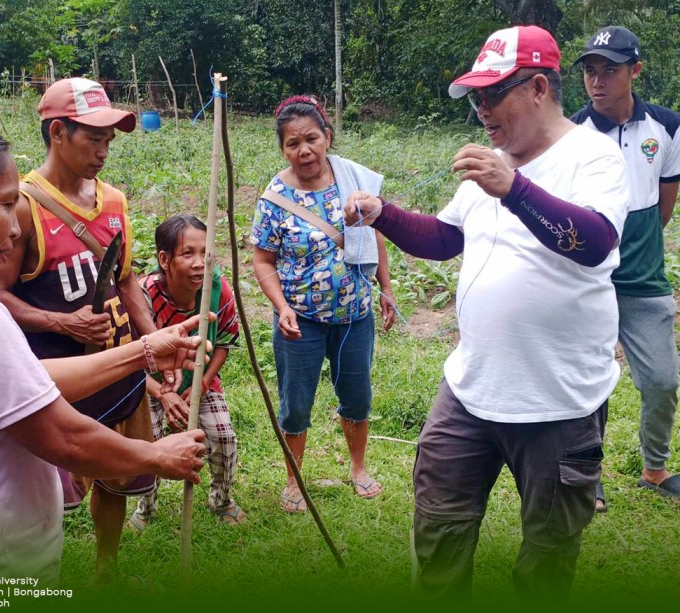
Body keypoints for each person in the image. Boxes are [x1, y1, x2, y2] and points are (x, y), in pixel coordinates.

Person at [0, 112, 210, 583]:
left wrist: (142, 352)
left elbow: (21, 383)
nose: (13, 229)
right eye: (4, 205)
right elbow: (65, 437)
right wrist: (157, 455)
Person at [345, 26, 629, 600]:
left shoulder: (594, 156)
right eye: (475, 98)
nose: (481, 111)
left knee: (547, 556)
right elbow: (445, 238)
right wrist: (381, 213)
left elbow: (596, 241)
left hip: (559, 402)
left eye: (492, 95)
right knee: (439, 531)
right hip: (472, 390)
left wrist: (515, 190)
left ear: (539, 88)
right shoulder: (493, 165)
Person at [0, 77, 162, 579]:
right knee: (41, 485)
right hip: (52, 378)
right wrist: (60, 321)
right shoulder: (21, 205)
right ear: (57, 132)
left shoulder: (115, 203)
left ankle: (107, 565)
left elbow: (126, 280)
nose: (105, 151)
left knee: (117, 473)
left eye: (109, 140)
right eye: (94, 139)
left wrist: (151, 343)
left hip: (118, 367)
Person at [250, 95, 396, 513]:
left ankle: (358, 468)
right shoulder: (274, 198)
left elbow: (376, 233)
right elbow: (262, 260)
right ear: (283, 149)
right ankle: (295, 478)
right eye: (293, 143)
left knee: (357, 394)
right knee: (296, 401)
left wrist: (385, 287)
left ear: (327, 137)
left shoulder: (351, 181)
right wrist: (282, 307)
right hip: (302, 320)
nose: (304, 150)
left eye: (312, 138)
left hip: (354, 314)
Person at [571, 26, 680, 507]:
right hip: (587, 281)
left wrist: (637, 248)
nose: (598, 80)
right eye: (591, 71)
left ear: (635, 71)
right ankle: (585, 477)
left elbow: (663, 206)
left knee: (662, 380)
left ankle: (654, 469)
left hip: (645, 280)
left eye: (610, 70)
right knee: (587, 380)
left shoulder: (668, 127)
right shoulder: (572, 135)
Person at [129, 214, 246, 530]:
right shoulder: (142, 296)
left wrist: (204, 383)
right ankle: (145, 507)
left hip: (200, 382)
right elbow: (127, 359)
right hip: (148, 386)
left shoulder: (218, 291)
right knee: (148, 443)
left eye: (205, 253)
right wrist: (163, 395)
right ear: (164, 259)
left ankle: (222, 501)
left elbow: (222, 344)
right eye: (187, 254)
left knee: (223, 436)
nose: (199, 263)